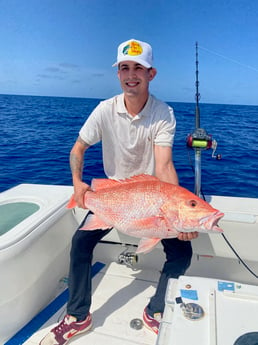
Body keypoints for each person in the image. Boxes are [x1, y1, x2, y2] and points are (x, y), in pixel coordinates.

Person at [40, 38, 198, 345]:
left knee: (182, 252)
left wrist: (181, 211)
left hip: (151, 198)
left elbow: (164, 165)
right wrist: (78, 183)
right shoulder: (104, 110)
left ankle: (155, 310)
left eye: (138, 68)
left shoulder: (163, 113)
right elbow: (78, 148)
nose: (131, 74)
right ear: (118, 74)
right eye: (125, 67)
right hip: (112, 196)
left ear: (151, 74)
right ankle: (78, 316)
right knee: (80, 245)